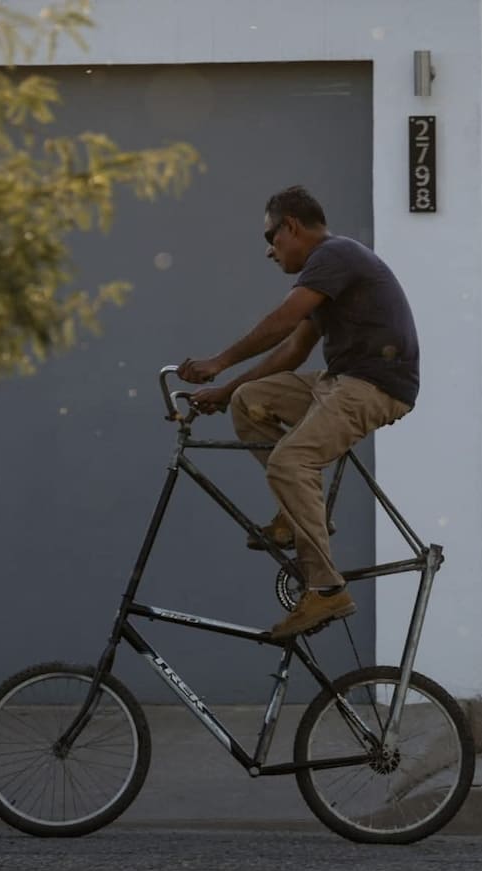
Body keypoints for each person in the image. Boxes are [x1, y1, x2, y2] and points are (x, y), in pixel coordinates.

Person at [178, 185, 419, 639]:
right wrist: (228, 389)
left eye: (271, 238)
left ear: (291, 226)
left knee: (291, 461)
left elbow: (285, 320)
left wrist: (220, 362)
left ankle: (326, 590)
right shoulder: (330, 275)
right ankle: (298, 512)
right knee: (251, 400)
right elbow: (294, 349)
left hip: (374, 386)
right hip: (339, 381)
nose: (270, 251)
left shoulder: (333, 255)